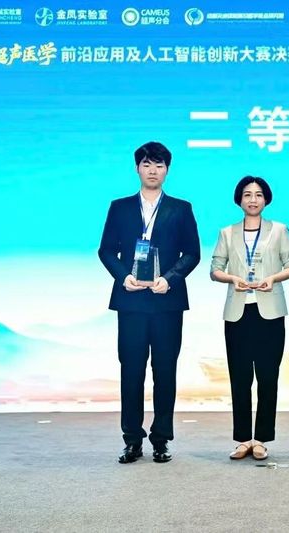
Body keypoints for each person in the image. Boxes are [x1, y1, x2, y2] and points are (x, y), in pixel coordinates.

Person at [98, 141, 200, 464]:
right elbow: (105, 251)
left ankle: (161, 439)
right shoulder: (119, 207)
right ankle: (132, 440)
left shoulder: (181, 208)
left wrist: (170, 278)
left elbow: (193, 253)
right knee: (131, 371)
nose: (152, 170)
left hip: (166, 301)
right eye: (146, 164)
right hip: (130, 301)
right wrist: (123, 276)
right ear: (137, 168)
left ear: (167, 170)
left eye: (158, 165)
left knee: (165, 371)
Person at [211, 176, 289, 461]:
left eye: (258, 194)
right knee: (239, 378)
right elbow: (215, 268)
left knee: (268, 377)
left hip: (270, 311)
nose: (252, 199)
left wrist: (273, 278)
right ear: (239, 199)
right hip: (237, 312)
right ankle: (242, 439)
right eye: (247, 194)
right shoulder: (227, 232)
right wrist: (231, 278)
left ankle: (261, 439)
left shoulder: (279, 230)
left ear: (266, 199)